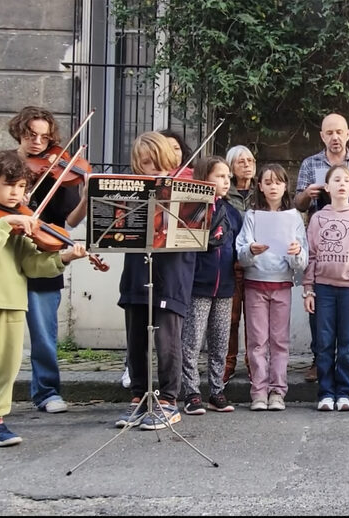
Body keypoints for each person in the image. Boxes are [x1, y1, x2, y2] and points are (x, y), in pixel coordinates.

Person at [0, 106, 88, 420]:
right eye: (30, 135)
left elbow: (57, 233)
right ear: (18, 132)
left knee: (29, 345)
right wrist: (5, 200)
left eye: (44, 136)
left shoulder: (58, 172)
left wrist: (64, 251)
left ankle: (32, 400)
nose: (38, 142)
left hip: (25, 271)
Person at [114, 132, 197, 430]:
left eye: (160, 164)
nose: (155, 170)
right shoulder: (130, 188)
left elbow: (203, 230)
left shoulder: (188, 185)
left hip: (172, 271)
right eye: (147, 164)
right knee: (136, 336)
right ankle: (138, 397)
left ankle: (168, 400)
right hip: (137, 268)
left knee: (167, 339)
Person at [295, 113, 349, 384]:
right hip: (322, 236)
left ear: (347, 134)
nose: (334, 137)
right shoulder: (310, 163)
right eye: (329, 132)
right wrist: (306, 194)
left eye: (339, 132)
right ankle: (318, 360)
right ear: (322, 136)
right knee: (319, 307)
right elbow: (297, 203)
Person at [303, 164, 349, 411]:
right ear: (327, 186)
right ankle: (325, 392)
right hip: (323, 289)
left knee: (347, 343)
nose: (342, 183)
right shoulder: (318, 218)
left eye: (347, 179)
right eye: (336, 179)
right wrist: (308, 289)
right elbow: (310, 256)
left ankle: (345, 392)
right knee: (323, 343)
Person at [236, 164, 308, 411]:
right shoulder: (252, 216)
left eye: (277, 182)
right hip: (255, 283)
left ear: (285, 186)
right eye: (267, 182)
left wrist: (296, 253)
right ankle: (258, 392)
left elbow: (303, 258)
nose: (273, 186)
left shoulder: (294, 217)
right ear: (260, 186)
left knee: (279, 341)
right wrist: (250, 251)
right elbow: (241, 252)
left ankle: (278, 391)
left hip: (282, 284)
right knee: (257, 341)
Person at [180, 156, 243, 415]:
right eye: (220, 176)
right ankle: (192, 392)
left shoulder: (232, 212)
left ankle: (217, 390)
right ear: (204, 178)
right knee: (192, 341)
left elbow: (238, 245)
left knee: (220, 342)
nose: (226, 181)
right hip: (198, 285)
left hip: (226, 286)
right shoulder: (192, 209)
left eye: (228, 177)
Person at [223, 145, 257, 383]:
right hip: (230, 263)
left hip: (256, 264)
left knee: (255, 318)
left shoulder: (261, 192)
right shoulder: (225, 194)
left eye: (250, 160)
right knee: (231, 317)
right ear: (231, 168)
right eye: (241, 161)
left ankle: (253, 363)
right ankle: (228, 362)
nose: (247, 165)